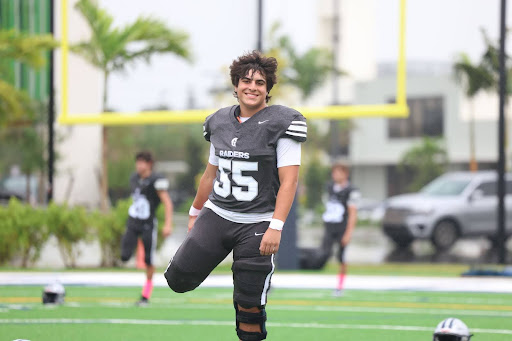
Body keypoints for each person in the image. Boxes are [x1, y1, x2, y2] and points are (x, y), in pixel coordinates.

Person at [164, 50, 307, 341]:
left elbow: (289, 181)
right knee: (177, 279)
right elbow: (209, 174)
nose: (252, 87)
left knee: (249, 305)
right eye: (246, 81)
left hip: (258, 222)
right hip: (217, 215)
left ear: (268, 90)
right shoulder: (218, 122)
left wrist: (276, 226)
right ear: (236, 84)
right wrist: (194, 212)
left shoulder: (283, 123)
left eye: (260, 82)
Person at [121, 151, 173, 306]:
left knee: (149, 260)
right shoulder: (134, 178)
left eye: (142, 162)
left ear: (149, 164)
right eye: (137, 162)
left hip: (148, 224)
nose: (139, 165)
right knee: (124, 256)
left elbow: (167, 202)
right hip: (132, 222)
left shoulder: (156, 180)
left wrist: (168, 223)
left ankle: (146, 294)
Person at [321, 161, 360, 297]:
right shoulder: (330, 187)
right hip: (330, 226)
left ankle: (340, 286)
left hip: (342, 227)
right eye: (334, 172)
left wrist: (348, 233)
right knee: (324, 253)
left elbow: (353, 213)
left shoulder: (351, 191)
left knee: (341, 258)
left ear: (345, 174)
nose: (335, 175)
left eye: (338, 172)